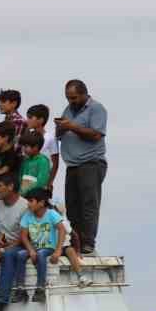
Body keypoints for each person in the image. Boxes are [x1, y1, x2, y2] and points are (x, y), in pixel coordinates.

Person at [56, 79, 108, 254]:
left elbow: (96, 135)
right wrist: (61, 128)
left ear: (85, 94)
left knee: (88, 205)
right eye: (68, 98)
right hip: (73, 164)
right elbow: (63, 135)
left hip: (91, 163)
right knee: (72, 206)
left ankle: (88, 242)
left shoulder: (96, 109)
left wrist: (72, 126)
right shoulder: (68, 110)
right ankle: (76, 241)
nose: (71, 101)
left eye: (74, 97)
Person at [17, 187, 90, 300]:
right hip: (35, 247)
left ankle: (40, 287)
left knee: (41, 253)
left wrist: (58, 250)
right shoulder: (28, 215)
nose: (28, 204)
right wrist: (30, 250)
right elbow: (23, 235)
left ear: (41, 203)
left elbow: (62, 230)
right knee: (20, 255)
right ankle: (20, 289)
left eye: (31, 201)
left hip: (49, 247)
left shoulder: (51, 214)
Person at [0, 173, 30, 311]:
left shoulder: (25, 206)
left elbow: (24, 237)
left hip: (20, 244)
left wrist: (3, 250)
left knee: (8, 255)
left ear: (11, 187)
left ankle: (1, 302)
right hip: (2, 244)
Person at [24, 105, 61, 191]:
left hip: (42, 178)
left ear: (41, 120)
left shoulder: (50, 138)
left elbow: (55, 164)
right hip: (27, 178)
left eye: (30, 118)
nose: (27, 120)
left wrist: (49, 183)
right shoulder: (27, 136)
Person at [18, 130, 53, 196]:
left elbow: (41, 181)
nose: (24, 149)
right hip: (22, 195)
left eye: (26, 146)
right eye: (23, 146)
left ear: (36, 147)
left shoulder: (43, 161)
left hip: (34, 197)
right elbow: (20, 177)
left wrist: (27, 191)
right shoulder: (25, 160)